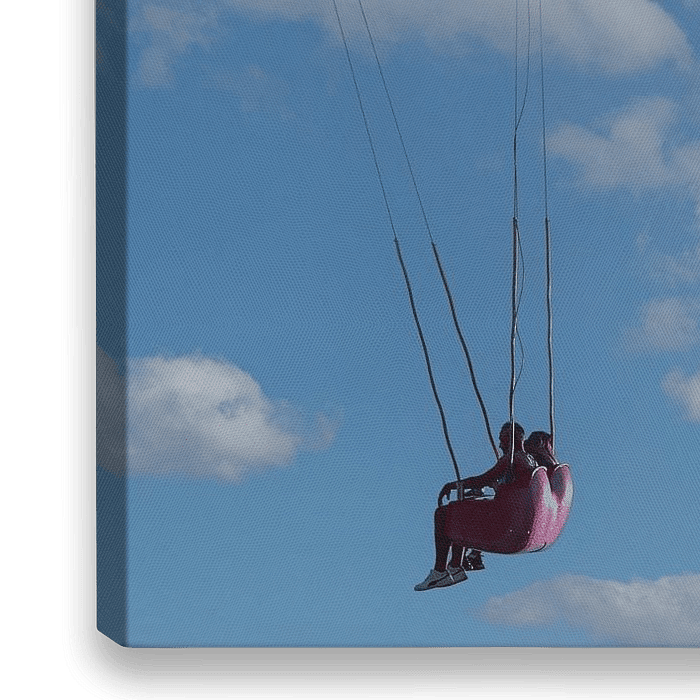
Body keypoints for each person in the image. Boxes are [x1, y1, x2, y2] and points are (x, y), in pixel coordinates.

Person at [414, 422, 536, 591]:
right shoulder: (530, 461)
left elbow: (483, 479)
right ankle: (456, 565)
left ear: (514, 438)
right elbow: (505, 484)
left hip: (507, 525)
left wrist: (453, 485)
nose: (500, 444)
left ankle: (440, 570)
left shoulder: (512, 459)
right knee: (463, 508)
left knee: (442, 514)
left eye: (503, 439)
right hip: (518, 520)